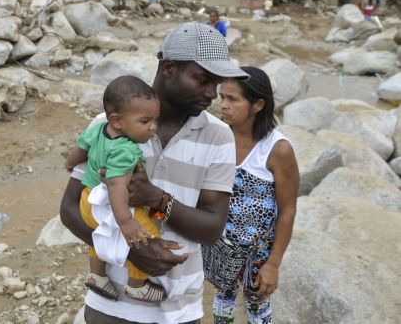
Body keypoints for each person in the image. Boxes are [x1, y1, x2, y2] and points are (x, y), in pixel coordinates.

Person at [60, 22, 249, 324]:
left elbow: (212, 227)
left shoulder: (218, 137)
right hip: (111, 307)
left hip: (180, 308)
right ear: (169, 68)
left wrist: (158, 199)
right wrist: (131, 252)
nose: (211, 94)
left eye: (216, 84)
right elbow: (70, 210)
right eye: (202, 80)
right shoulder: (109, 127)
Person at [202, 66, 299, 324]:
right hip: (220, 247)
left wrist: (273, 264)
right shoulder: (218, 137)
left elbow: (287, 210)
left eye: (233, 99)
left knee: (258, 309)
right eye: (222, 97)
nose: (223, 105)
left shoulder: (277, 150)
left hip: (258, 256)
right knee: (222, 303)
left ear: (257, 105)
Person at [65, 75, 165, 303]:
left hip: (87, 200)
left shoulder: (99, 129)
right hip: (110, 204)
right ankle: (136, 285)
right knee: (148, 234)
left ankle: (97, 276)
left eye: (156, 120)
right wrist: (126, 221)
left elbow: (80, 147)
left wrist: (70, 163)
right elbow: (116, 185)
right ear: (118, 120)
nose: (153, 127)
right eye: (145, 121)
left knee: (102, 232)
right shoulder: (126, 150)